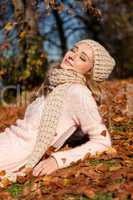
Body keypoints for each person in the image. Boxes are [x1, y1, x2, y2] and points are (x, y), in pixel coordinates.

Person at [0, 39, 115, 182]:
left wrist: (58, 160)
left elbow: (102, 142)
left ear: (90, 71)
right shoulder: (52, 86)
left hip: (10, 154)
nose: (72, 55)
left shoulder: (78, 92)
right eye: (73, 50)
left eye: (82, 57)